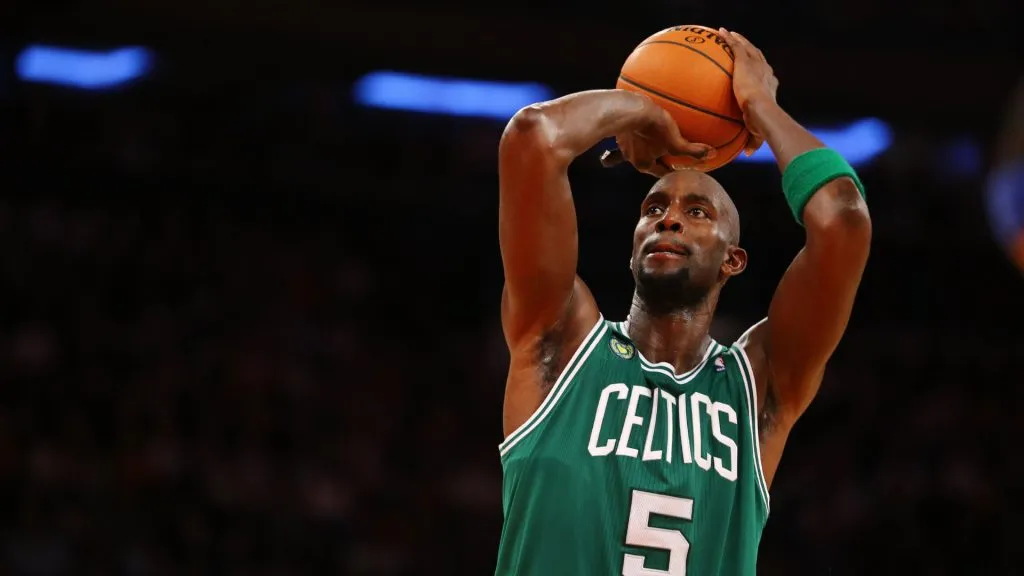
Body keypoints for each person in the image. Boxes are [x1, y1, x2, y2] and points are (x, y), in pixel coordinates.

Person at [493, 29, 871, 575]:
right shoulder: (560, 342)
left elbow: (843, 220)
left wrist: (761, 107)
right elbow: (533, 136)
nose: (667, 217)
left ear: (732, 261)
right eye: (652, 209)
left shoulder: (757, 387)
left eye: (698, 212)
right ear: (632, 250)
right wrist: (642, 110)